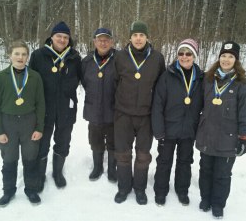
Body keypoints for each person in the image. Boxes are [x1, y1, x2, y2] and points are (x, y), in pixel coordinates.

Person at [195, 41, 246, 218]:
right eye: (223, 56)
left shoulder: (242, 85)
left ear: (236, 60)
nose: (226, 59)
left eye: (230, 56)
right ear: (219, 58)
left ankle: (218, 204)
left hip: (227, 139)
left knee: (222, 174)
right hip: (206, 135)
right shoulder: (208, 79)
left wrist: (244, 137)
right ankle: (205, 199)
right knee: (205, 170)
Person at [113, 20, 166, 205]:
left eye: (141, 35)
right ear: (130, 37)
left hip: (146, 115)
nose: (138, 38)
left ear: (147, 37)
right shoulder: (119, 57)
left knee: (143, 155)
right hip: (123, 114)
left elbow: (161, 88)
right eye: (135, 35)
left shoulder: (157, 58)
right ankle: (123, 187)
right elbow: (113, 83)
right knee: (123, 153)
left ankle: (140, 189)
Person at [0, 40, 45, 206]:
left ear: (27, 56)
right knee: (9, 158)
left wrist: (39, 127)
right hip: (8, 124)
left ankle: (31, 189)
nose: (20, 57)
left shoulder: (35, 76)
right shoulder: (1, 77)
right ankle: (8, 191)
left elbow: (41, 104)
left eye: (23, 54)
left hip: (29, 123)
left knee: (30, 158)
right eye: (17, 54)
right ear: (10, 55)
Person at [29, 21, 82, 191]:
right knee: (42, 142)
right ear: (51, 37)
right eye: (58, 36)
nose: (62, 39)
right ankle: (41, 174)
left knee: (63, 141)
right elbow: (30, 83)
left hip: (66, 109)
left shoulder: (74, 57)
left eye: (65, 37)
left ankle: (57, 173)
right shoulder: (38, 55)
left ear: (69, 40)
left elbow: (82, 79)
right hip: (44, 109)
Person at [152, 39, 204, 206]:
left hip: (189, 130)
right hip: (168, 129)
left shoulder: (201, 78)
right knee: (164, 161)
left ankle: (182, 190)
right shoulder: (167, 76)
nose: (184, 56)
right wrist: (158, 130)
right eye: (181, 53)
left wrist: (200, 129)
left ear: (194, 56)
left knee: (185, 162)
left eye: (188, 53)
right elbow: (157, 105)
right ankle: (160, 191)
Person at [80, 28, 117, 182]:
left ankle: (112, 169)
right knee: (95, 139)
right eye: (100, 39)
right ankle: (97, 166)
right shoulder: (87, 62)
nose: (103, 42)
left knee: (114, 141)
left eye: (106, 39)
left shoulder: (119, 59)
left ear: (112, 42)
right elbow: (84, 81)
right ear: (94, 41)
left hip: (113, 109)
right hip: (93, 108)